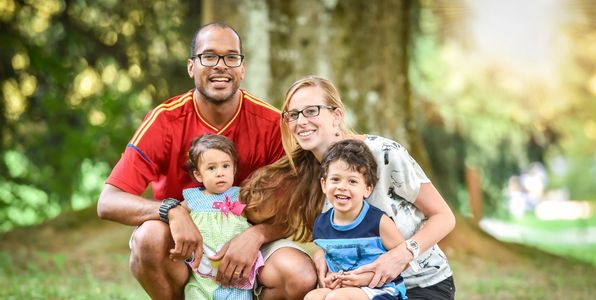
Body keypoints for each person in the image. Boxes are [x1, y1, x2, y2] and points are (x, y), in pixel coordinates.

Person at [97, 22, 316, 300]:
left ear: (242, 68)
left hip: (252, 244)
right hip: (184, 246)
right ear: (191, 67)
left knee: (299, 275)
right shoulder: (165, 120)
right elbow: (108, 201)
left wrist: (257, 235)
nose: (221, 66)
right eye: (209, 56)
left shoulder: (273, 124)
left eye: (231, 57)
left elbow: (298, 207)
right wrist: (172, 211)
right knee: (148, 238)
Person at [242, 75, 456, 299]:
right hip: (354, 291)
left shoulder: (383, 154)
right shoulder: (312, 175)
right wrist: (321, 255)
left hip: (420, 285)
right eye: (293, 115)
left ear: (337, 116)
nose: (301, 121)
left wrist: (401, 255)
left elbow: (444, 216)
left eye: (311, 110)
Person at [305, 139, 408, 300]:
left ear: (367, 189)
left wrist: (365, 278)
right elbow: (329, 257)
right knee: (313, 297)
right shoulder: (321, 224)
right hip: (344, 290)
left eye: (352, 181)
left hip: (381, 290)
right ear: (324, 185)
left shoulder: (378, 222)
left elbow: (403, 260)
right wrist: (332, 277)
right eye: (335, 179)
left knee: (337, 298)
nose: (342, 186)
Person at [182, 134, 263, 299]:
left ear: (233, 169)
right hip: (202, 276)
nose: (220, 173)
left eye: (225, 166)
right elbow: (177, 215)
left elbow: (261, 216)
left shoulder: (241, 196)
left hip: (237, 273)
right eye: (211, 168)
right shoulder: (193, 199)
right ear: (198, 175)